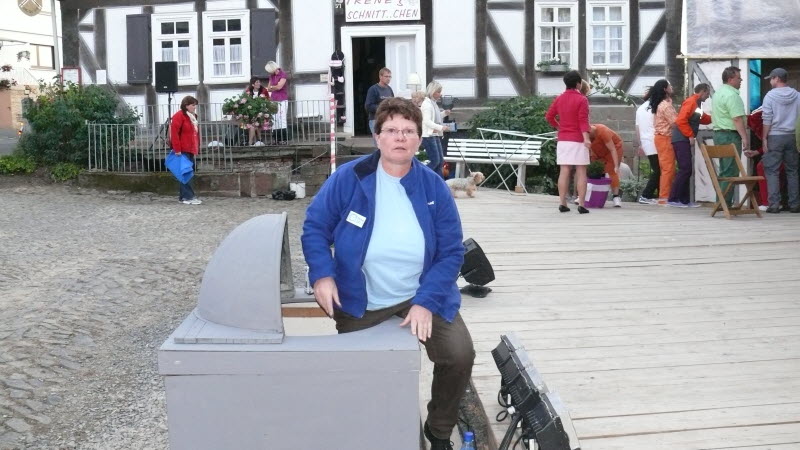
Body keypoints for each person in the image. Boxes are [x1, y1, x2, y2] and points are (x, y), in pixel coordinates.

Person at [301, 97, 474, 450]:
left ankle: (439, 430)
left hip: (420, 293)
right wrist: (322, 275)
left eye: (409, 131)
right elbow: (315, 227)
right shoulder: (349, 178)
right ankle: (372, 432)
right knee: (361, 372)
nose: (400, 137)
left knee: (459, 354)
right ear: (377, 136)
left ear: (419, 139)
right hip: (361, 297)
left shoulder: (434, 186)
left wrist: (426, 302)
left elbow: (451, 251)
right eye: (392, 130)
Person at [545, 70, 591, 214]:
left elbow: (549, 116)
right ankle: (581, 204)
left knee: (564, 170)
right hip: (578, 139)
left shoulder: (559, 98)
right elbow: (583, 121)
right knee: (581, 171)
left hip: (563, 139)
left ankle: (562, 203)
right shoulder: (582, 99)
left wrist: (559, 127)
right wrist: (586, 138)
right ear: (578, 84)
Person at [760, 68, 800, 213]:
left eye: (771, 78)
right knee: (793, 171)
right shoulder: (797, 95)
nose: (770, 81)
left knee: (772, 171)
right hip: (792, 136)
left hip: (775, 136)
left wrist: (764, 138)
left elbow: (767, 119)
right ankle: (795, 204)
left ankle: (774, 205)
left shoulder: (770, 96)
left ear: (777, 78)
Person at [667, 83, 712, 208]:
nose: (708, 96)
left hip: (682, 139)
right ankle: (673, 199)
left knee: (686, 169)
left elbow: (702, 118)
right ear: (702, 91)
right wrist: (690, 135)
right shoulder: (691, 102)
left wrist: (716, 117)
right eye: (707, 94)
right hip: (681, 139)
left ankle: (684, 200)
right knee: (685, 169)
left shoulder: (697, 103)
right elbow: (681, 120)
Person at [711, 66, 749, 206]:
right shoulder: (732, 95)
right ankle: (725, 204)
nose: (741, 80)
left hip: (719, 134)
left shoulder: (718, 93)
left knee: (724, 170)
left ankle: (721, 202)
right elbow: (737, 118)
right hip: (730, 135)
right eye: (739, 78)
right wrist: (744, 137)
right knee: (731, 171)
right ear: (730, 79)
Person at [170, 95, 202, 205]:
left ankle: (184, 196)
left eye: (195, 105)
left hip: (190, 148)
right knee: (186, 173)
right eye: (193, 105)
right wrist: (177, 149)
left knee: (187, 173)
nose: (195, 107)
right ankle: (188, 197)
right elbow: (174, 134)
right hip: (183, 149)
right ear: (186, 105)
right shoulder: (179, 116)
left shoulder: (192, 117)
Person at [651, 79, 677, 205]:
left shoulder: (661, 104)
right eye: (669, 86)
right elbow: (675, 122)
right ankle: (664, 197)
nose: (671, 87)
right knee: (668, 168)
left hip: (660, 138)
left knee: (666, 167)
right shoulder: (665, 106)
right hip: (665, 137)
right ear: (665, 89)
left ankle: (665, 196)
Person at [588, 124, 624, 207]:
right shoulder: (585, 134)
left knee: (611, 171)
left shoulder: (603, 131)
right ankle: (587, 195)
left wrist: (616, 166)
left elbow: (612, 149)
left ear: (591, 132)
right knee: (593, 171)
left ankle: (616, 197)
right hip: (598, 151)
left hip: (614, 148)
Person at [421, 81, 451, 177]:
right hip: (428, 136)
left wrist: (444, 113)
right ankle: (421, 176)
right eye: (438, 92)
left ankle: (437, 182)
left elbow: (436, 118)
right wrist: (441, 127)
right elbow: (427, 121)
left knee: (440, 161)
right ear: (432, 92)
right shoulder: (427, 104)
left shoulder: (433, 103)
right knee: (435, 161)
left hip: (435, 135)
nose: (440, 94)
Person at [635, 88, 660, 204]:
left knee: (657, 169)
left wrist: (640, 144)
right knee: (658, 170)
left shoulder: (640, 108)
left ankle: (656, 195)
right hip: (655, 140)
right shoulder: (656, 107)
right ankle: (646, 195)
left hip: (646, 142)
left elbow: (637, 128)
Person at [364, 68, 394, 145]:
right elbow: (368, 106)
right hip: (375, 120)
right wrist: (383, 108)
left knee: (388, 144)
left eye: (390, 77)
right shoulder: (373, 89)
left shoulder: (389, 89)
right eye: (386, 76)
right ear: (380, 77)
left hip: (388, 120)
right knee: (379, 144)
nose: (388, 79)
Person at [265, 61, 289, 144]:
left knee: (282, 118)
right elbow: (268, 88)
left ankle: (284, 139)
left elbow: (279, 87)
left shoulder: (283, 74)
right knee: (275, 119)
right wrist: (273, 87)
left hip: (282, 98)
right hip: (273, 99)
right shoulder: (271, 76)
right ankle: (276, 139)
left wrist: (272, 87)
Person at [244, 76, 269, 146]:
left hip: (261, 111)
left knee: (255, 124)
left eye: (259, 82)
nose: (259, 83)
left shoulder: (263, 90)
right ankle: (257, 140)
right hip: (251, 112)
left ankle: (252, 142)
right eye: (257, 82)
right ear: (253, 84)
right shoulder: (248, 91)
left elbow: (267, 100)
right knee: (253, 125)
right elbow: (246, 101)